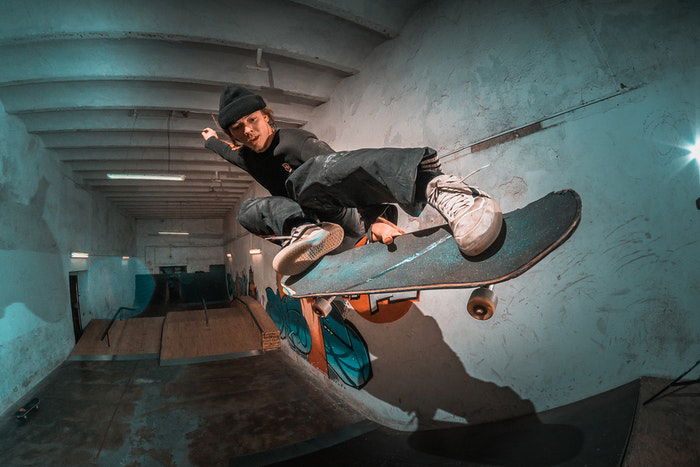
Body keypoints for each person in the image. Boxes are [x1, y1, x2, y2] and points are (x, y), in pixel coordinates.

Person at [201, 85, 502, 275]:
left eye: (252, 121)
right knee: (248, 210)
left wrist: (373, 219)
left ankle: (437, 186)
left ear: (266, 117)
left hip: (345, 215)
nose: (248, 132)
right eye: (238, 128)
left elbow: (341, 172)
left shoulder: (296, 141)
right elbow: (223, 150)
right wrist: (211, 140)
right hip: (317, 227)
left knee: (309, 176)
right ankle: (303, 233)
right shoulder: (245, 156)